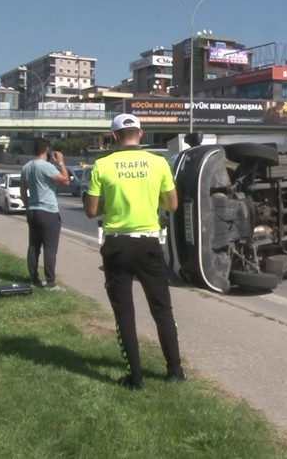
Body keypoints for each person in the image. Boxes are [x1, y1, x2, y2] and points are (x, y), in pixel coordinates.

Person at [84, 114, 185, 390]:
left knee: (124, 313)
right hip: (148, 243)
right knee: (162, 309)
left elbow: (92, 210)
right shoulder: (159, 163)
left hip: (117, 245)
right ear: (140, 134)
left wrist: (112, 203)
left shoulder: (102, 165)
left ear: (114, 136)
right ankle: (175, 370)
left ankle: (135, 377)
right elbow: (172, 204)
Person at [20, 138, 69, 290]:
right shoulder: (46, 167)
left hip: (33, 210)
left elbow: (23, 191)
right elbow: (65, 180)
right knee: (50, 248)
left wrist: (29, 206)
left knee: (34, 246)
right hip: (48, 211)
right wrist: (60, 162)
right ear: (46, 150)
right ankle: (51, 282)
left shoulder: (26, 167)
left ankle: (33, 278)